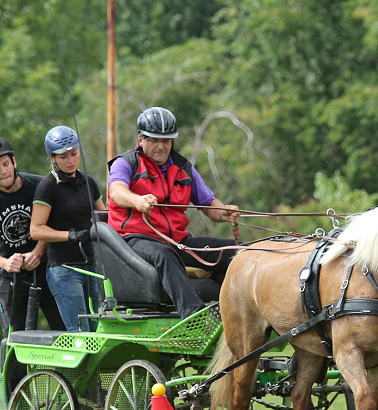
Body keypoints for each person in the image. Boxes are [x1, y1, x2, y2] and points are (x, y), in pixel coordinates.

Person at [106, 106, 239, 318]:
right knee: (164, 255)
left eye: (166, 141)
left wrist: (225, 212)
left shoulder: (183, 168)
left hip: (177, 240)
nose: (161, 146)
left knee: (235, 252)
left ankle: (233, 314)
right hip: (134, 241)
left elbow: (208, 204)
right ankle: (194, 318)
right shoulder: (126, 163)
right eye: (154, 140)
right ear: (141, 140)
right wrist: (137, 201)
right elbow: (116, 191)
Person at [0, 135, 65, 333]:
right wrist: (5, 263)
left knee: (63, 330)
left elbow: (56, 222)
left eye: (5, 164)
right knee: (14, 337)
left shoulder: (40, 185)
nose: (3, 171)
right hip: (8, 274)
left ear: (14, 162)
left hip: (47, 267)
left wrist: (38, 251)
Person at [30, 126, 104, 332]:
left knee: (100, 328)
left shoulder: (88, 182)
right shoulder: (48, 186)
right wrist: (70, 236)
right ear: (52, 158)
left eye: (74, 154)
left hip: (92, 264)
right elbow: (36, 230)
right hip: (64, 269)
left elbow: (103, 218)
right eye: (63, 157)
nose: (71, 160)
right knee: (81, 331)